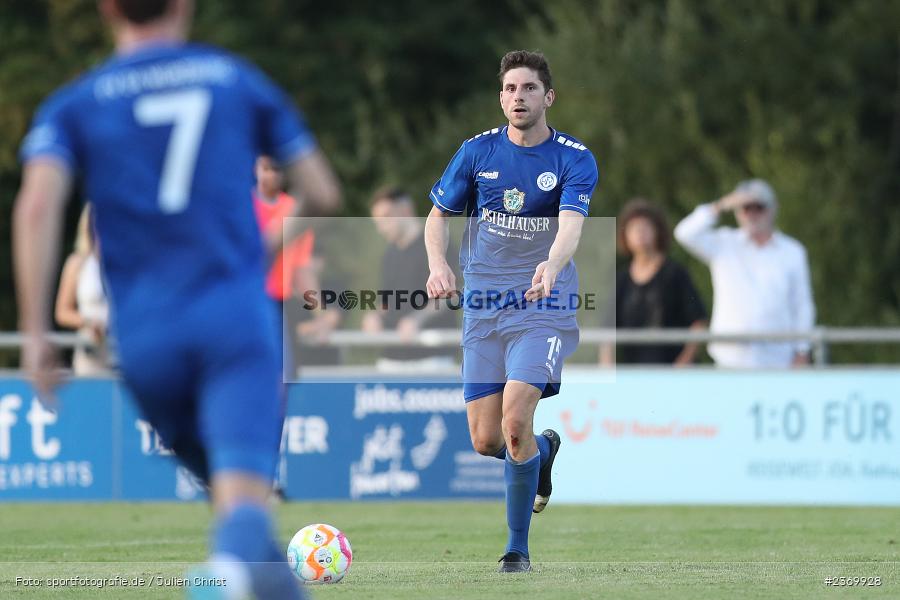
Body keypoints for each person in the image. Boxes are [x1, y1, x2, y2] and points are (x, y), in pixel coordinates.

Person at [12, 1, 340, 599]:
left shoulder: (76, 103)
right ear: (185, 4)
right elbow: (320, 188)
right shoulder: (234, 78)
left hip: (143, 338)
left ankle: (244, 574)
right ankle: (222, 579)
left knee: (237, 509)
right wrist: (258, 253)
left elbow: (37, 206)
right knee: (244, 507)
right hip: (232, 322)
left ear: (107, 9)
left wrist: (34, 332)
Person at [424, 50, 598, 572]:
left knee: (516, 416)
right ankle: (542, 455)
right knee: (486, 440)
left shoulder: (573, 157)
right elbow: (438, 216)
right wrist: (437, 263)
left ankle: (516, 551)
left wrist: (551, 264)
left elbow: (570, 224)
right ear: (500, 97)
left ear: (548, 97)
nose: (516, 97)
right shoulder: (476, 152)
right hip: (483, 309)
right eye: (509, 89)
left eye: (527, 88)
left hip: (542, 305)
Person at [674, 179, 815, 368]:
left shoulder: (793, 251)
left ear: (773, 209)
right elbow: (684, 233)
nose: (752, 214)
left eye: (759, 207)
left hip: (779, 358)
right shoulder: (723, 244)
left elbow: (802, 305)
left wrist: (802, 350)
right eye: (745, 208)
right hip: (730, 359)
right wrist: (721, 205)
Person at [599, 199, 707, 366]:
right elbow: (607, 328)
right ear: (625, 236)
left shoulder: (675, 273)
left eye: (645, 227)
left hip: (673, 375)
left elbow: (698, 322)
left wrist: (683, 364)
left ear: (658, 232)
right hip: (634, 376)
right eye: (634, 228)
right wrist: (606, 366)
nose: (640, 233)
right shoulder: (622, 279)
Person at [362, 187, 458, 369]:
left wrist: (417, 319)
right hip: (392, 358)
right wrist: (374, 316)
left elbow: (450, 297)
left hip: (431, 357)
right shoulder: (389, 255)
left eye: (386, 217)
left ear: (405, 210)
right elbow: (386, 302)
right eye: (377, 221)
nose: (381, 227)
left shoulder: (437, 246)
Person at [252, 154, 316, 378]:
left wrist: (319, 313)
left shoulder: (294, 210)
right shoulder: (242, 205)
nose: (270, 175)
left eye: (276, 169)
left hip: (280, 303)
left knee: (282, 374)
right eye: (265, 168)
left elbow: (302, 267)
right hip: (247, 299)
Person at [54, 204, 113, 375]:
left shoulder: (125, 263)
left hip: (123, 348)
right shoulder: (77, 263)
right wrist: (89, 322)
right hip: (92, 352)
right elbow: (62, 312)